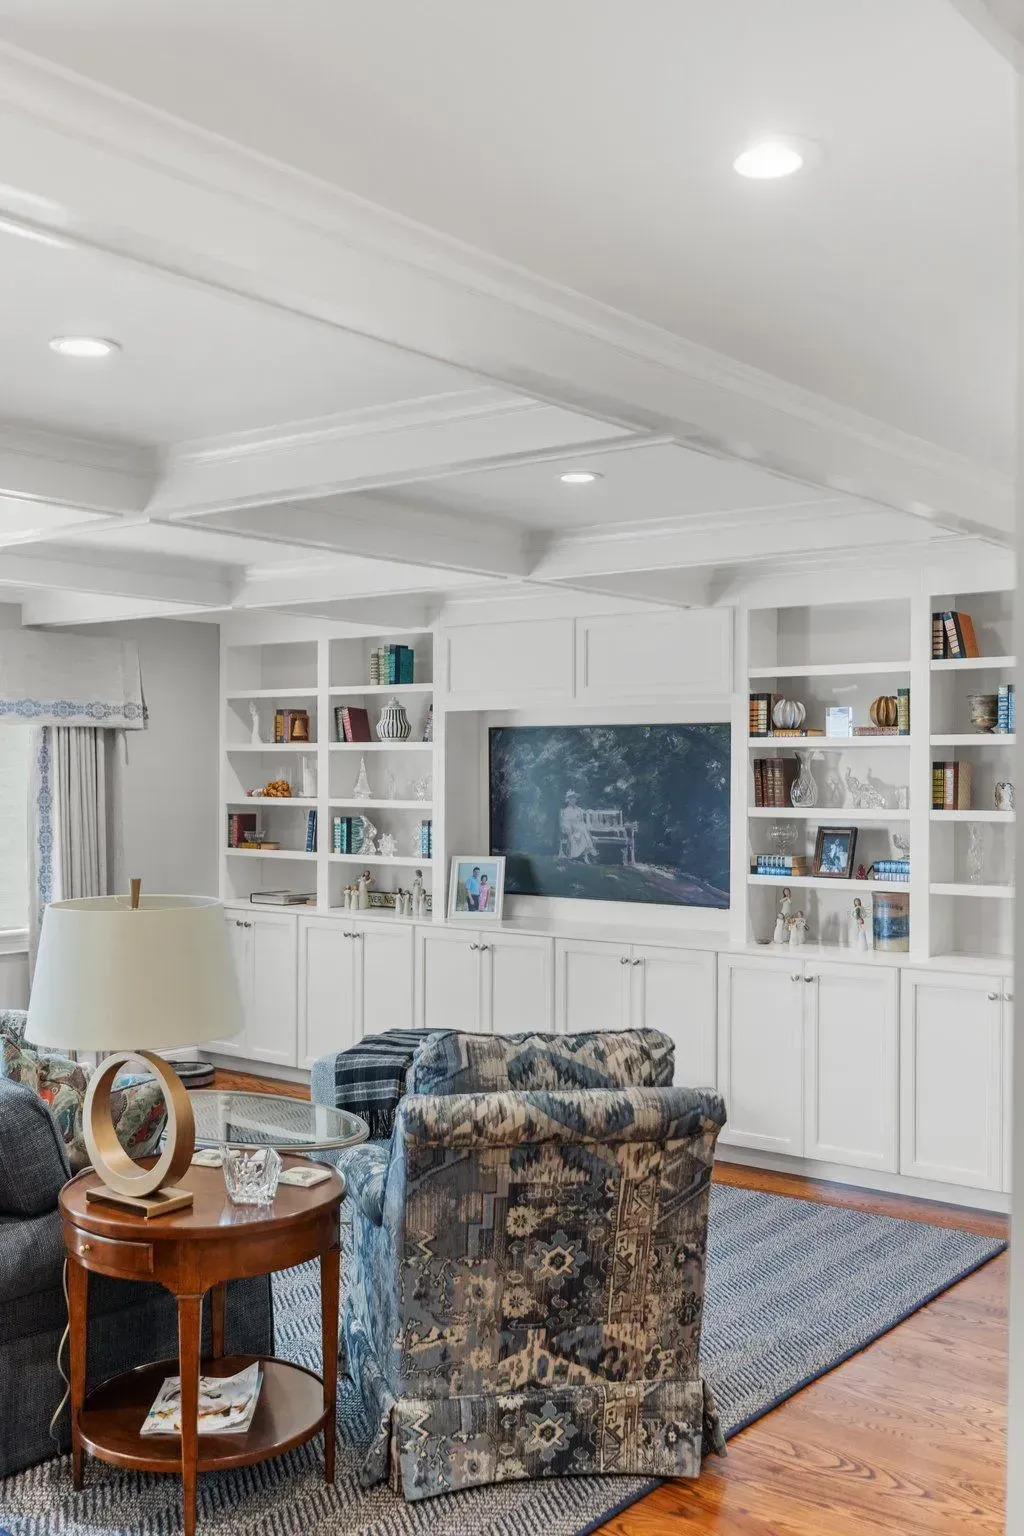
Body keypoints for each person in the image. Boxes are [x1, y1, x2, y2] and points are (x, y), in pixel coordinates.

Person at [559, 789, 597, 862]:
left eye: (574, 798)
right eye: (572, 799)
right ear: (569, 800)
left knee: (583, 830)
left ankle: (586, 854)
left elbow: (582, 816)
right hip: (572, 830)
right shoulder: (567, 810)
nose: (574, 800)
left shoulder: (578, 809)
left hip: (580, 829)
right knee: (582, 831)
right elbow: (566, 823)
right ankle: (586, 852)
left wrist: (588, 812)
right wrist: (570, 829)